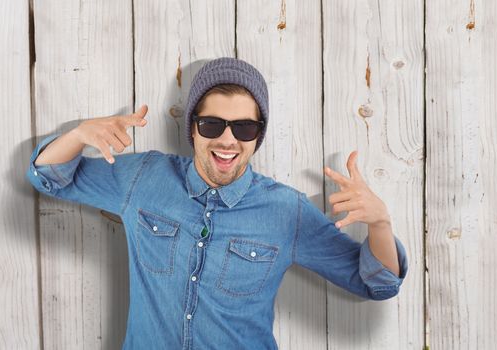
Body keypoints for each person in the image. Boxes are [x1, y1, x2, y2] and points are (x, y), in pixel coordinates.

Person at [26, 57, 408, 349]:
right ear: (193, 127)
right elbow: (50, 177)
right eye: (212, 125)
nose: (228, 141)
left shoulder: (285, 212)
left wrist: (381, 224)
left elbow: (377, 284)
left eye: (244, 127)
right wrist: (78, 135)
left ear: (258, 136)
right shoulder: (144, 177)